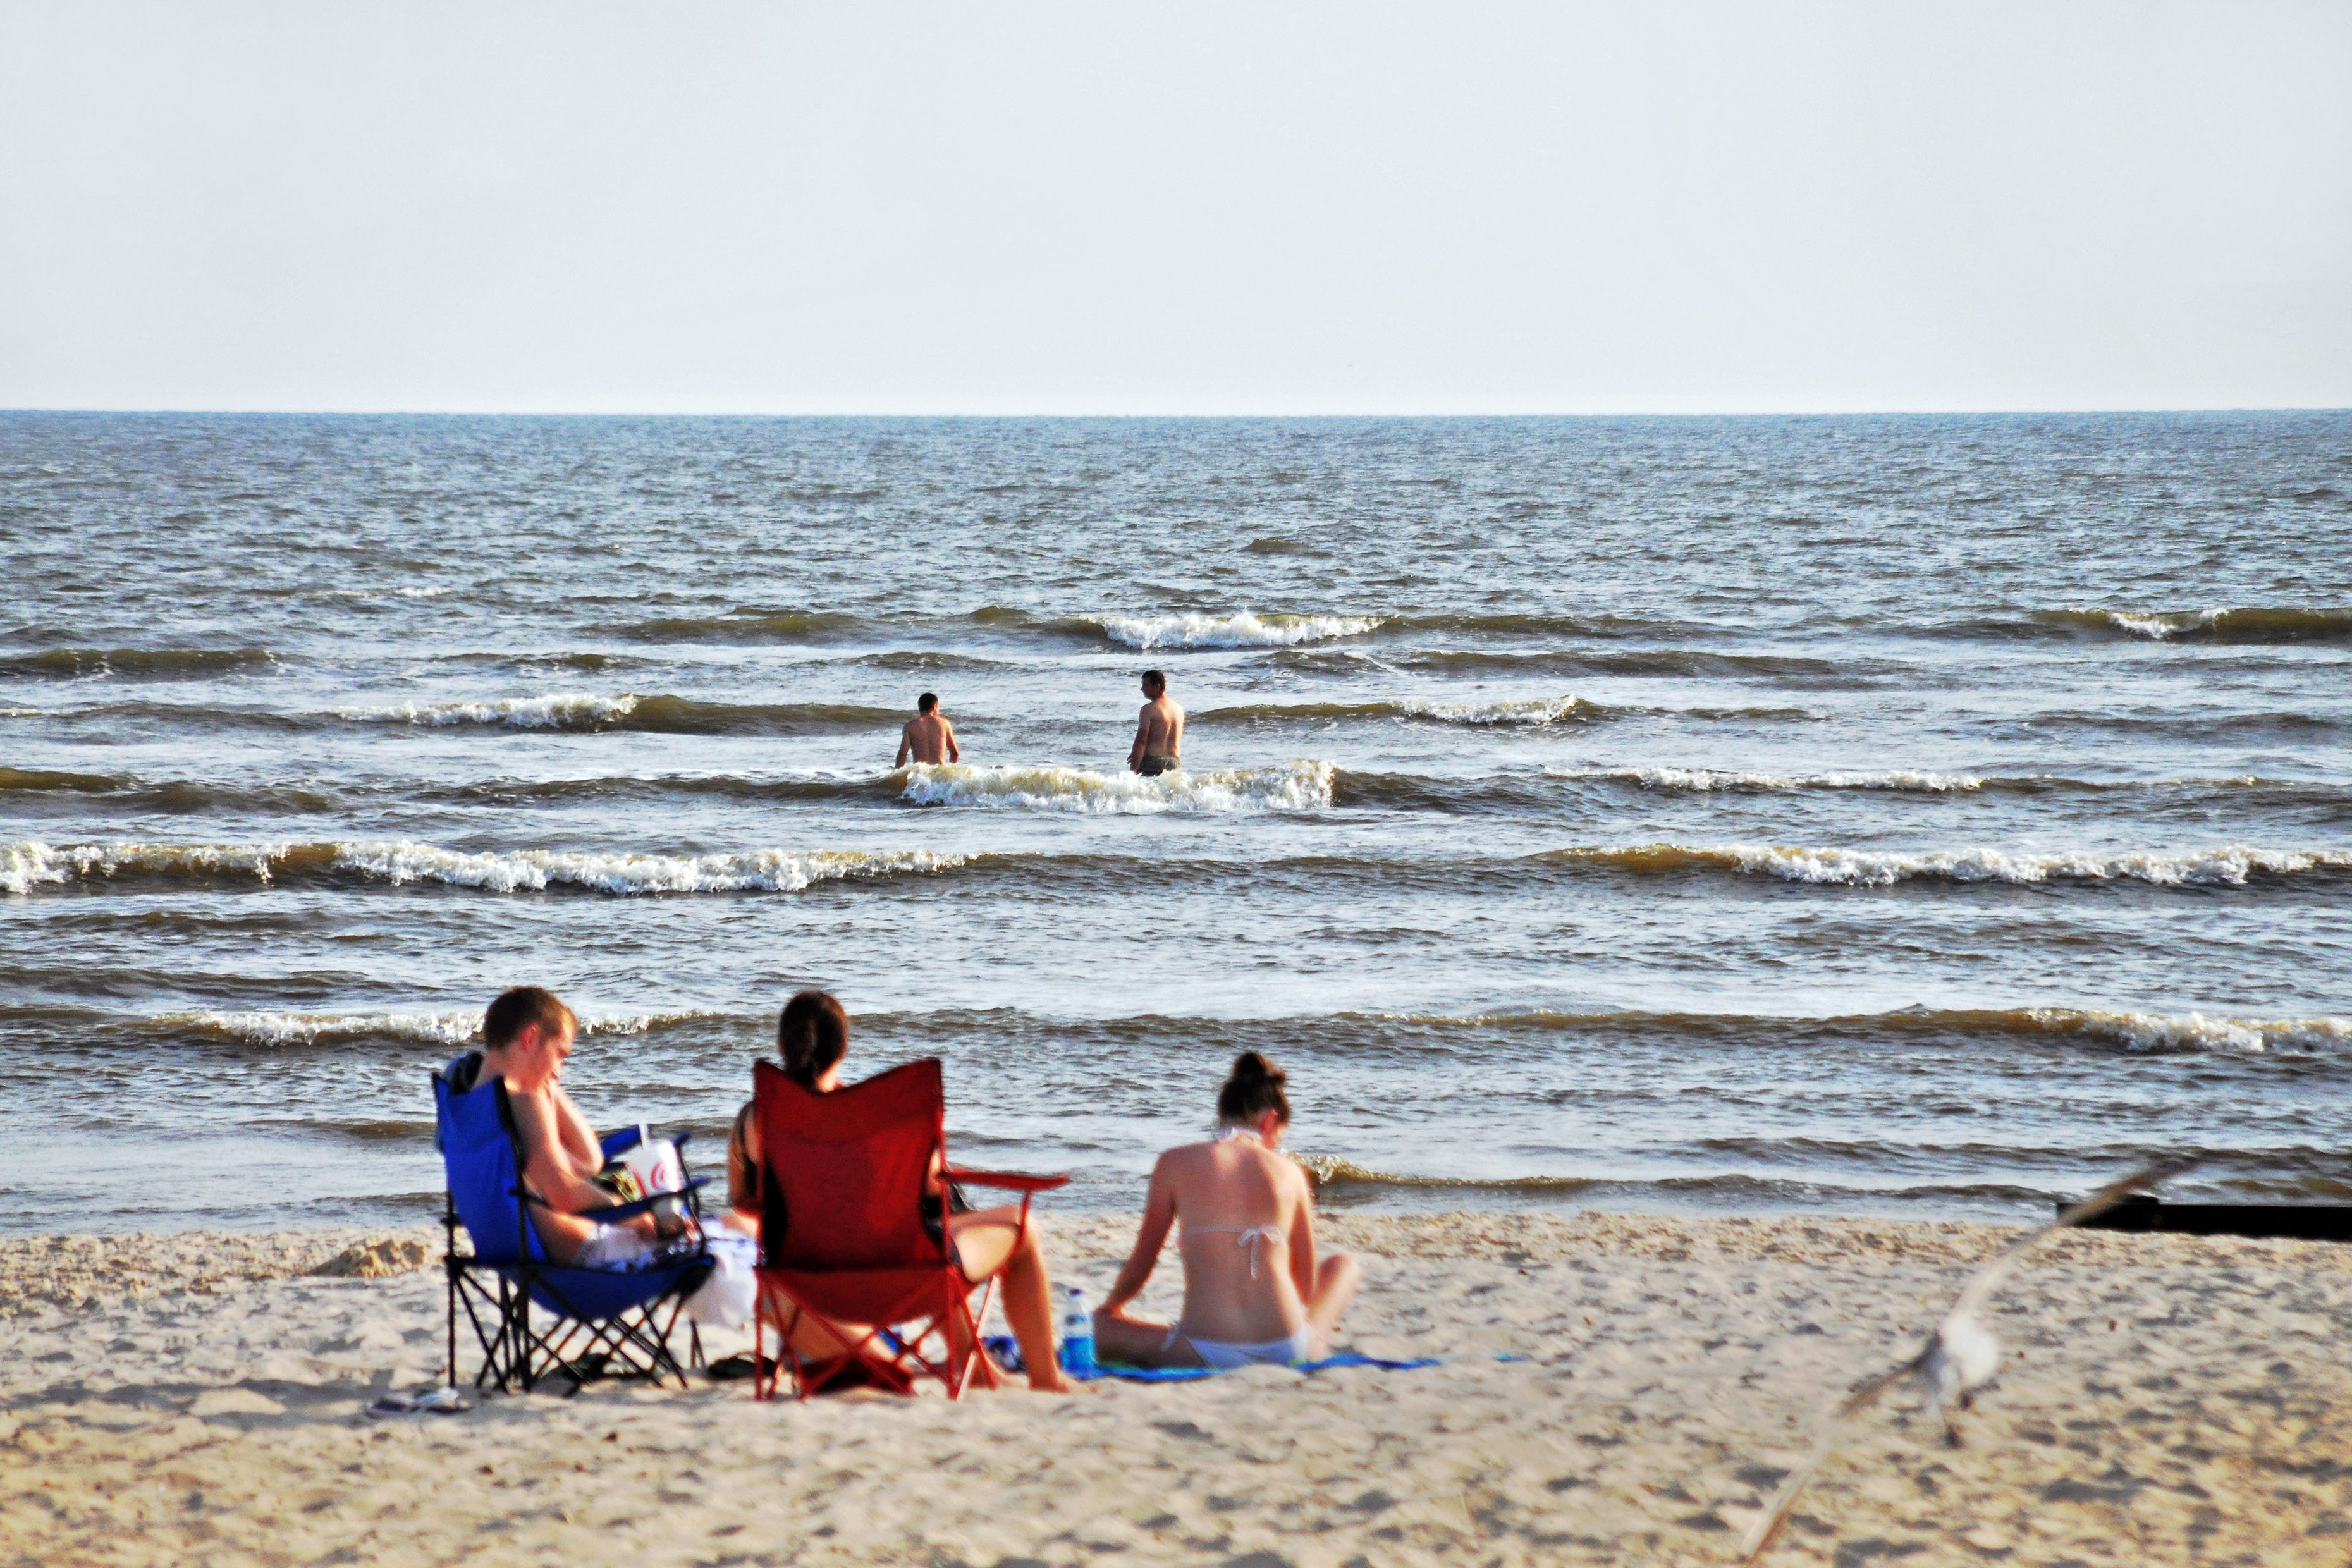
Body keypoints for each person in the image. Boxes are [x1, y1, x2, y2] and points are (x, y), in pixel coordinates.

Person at [726, 990, 1078, 1392]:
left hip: (802, 1282)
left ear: (783, 1045)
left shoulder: (752, 1121)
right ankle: (1047, 1380)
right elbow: (928, 1185)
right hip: (903, 1279)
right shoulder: (867, 1119)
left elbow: (743, 1202)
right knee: (1019, 1227)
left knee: (927, 1243)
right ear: (842, 1049)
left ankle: (978, 1369)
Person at [1092, 1051, 1360, 1369]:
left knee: (1096, 1328)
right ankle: (1317, 1340)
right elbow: (1304, 1288)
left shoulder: (1174, 1163)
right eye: (1277, 1139)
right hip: (1288, 1346)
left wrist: (1110, 1309)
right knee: (1345, 1265)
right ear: (1269, 1120)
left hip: (1205, 1348)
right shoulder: (1291, 1172)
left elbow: (1142, 1263)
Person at [446, 986, 680, 1268]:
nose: (558, 1070)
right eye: (560, 1054)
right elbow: (565, 1194)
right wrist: (640, 1220)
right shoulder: (523, 1100)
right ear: (530, 1037)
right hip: (571, 1254)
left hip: (504, 1250)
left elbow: (587, 1164)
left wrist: (549, 1087)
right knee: (711, 1245)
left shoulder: (469, 1104)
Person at [1127, 669, 1184, 776]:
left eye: (1146, 685)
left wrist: (1133, 772)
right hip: (1174, 763)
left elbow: (1141, 742)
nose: (1142, 689)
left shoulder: (1148, 710)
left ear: (1157, 687)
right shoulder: (1178, 709)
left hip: (1152, 764)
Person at [896, 692, 960, 766]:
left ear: (919, 707)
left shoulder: (910, 726)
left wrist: (896, 774)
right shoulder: (944, 724)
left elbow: (903, 754)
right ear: (935, 706)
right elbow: (955, 752)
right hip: (938, 771)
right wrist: (950, 772)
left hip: (921, 773)